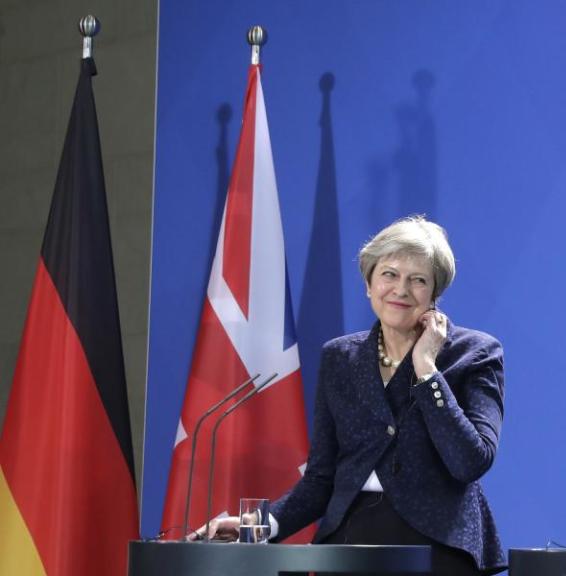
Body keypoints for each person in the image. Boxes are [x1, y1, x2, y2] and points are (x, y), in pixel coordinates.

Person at [197, 215, 507, 576]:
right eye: (389, 274)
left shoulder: (475, 353)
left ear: (434, 294)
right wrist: (260, 522)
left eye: (418, 280)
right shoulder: (340, 357)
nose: (401, 289)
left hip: (438, 549)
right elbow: (321, 479)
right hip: (347, 544)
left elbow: (470, 461)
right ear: (369, 283)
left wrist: (427, 369)